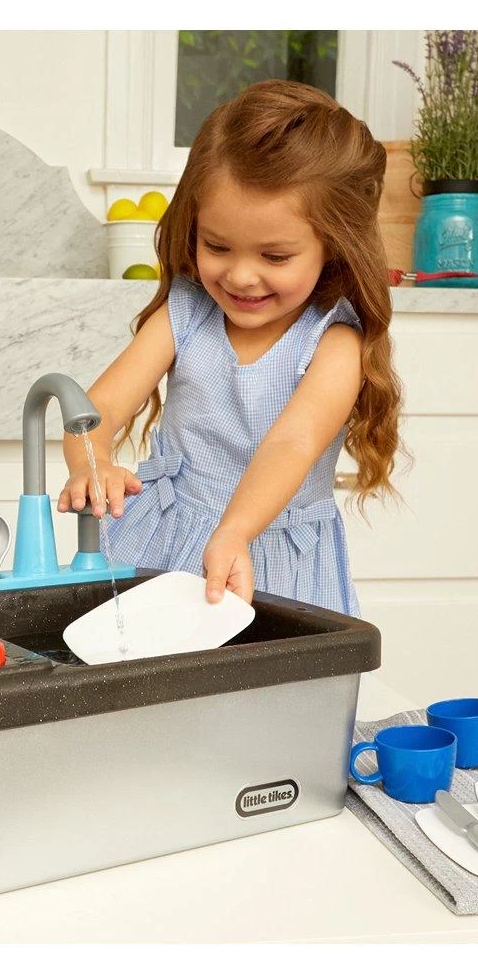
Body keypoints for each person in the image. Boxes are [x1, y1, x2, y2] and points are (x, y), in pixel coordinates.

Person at [58, 78, 402, 614]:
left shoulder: (334, 343)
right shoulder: (187, 313)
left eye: (275, 257)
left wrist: (236, 529)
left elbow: (291, 444)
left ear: (333, 247)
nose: (241, 276)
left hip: (275, 561)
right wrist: (92, 461)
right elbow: (95, 409)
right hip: (163, 540)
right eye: (217, 246)